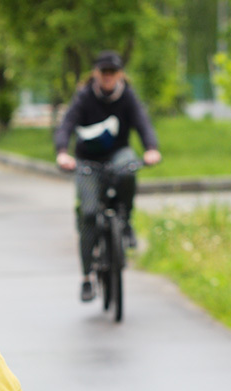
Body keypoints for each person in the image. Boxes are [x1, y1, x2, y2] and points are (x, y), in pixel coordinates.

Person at [54, 49, 162, 303]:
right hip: (87, 160)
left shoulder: (127, 96)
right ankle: (86, 278)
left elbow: (143, 123)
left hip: (117, 154)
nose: (108, 77)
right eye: (104, 72)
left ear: (119, 74)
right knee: (89, 213)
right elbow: (67, 125)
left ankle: (125, 221)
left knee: (129, 168)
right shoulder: (84, 97)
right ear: (96, 73)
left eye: (113, 72)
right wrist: (62, 152)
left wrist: (151, 149)